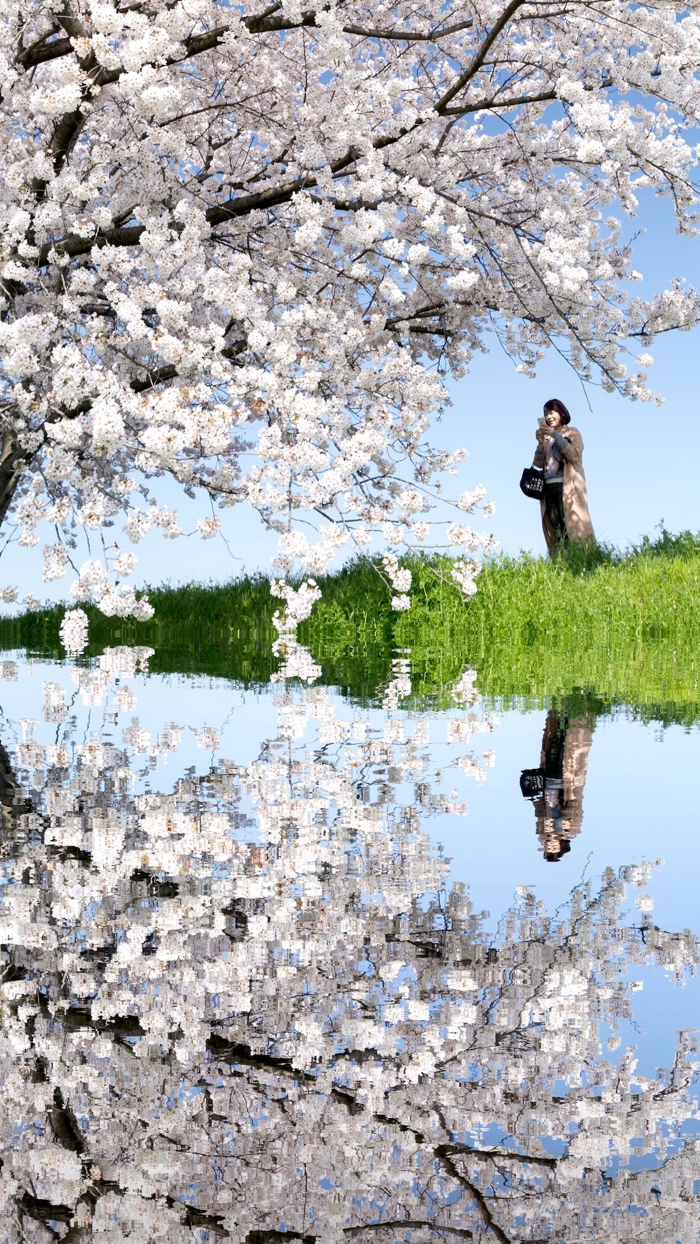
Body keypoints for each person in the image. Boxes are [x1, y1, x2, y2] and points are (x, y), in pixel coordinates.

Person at [520, 706, 594, 862]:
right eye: (553, 848)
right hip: (566, 782)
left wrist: (544, 818)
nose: (549, 845)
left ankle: (559, 715)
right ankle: (571, 714)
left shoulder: (541, 831)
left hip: (548, 782)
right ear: (561, 846)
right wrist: (559, 825)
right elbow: (574, 808)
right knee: (564, 747)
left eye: (548, 848)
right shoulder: (573, 830)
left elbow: (538, 807)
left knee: (552, 746)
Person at [533, 398, 595, 555]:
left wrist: (555, 434)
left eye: (552, 412)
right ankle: (562, 563)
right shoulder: (547, 439)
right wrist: (541, 443)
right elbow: (538, 464)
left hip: (568, 486)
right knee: (556, 529)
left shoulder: (572, 432)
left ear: (561, 413)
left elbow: (574, 455)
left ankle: (582, 559)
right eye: (546, 413)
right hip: (549, 489)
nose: (548, 417)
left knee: (572, 527)